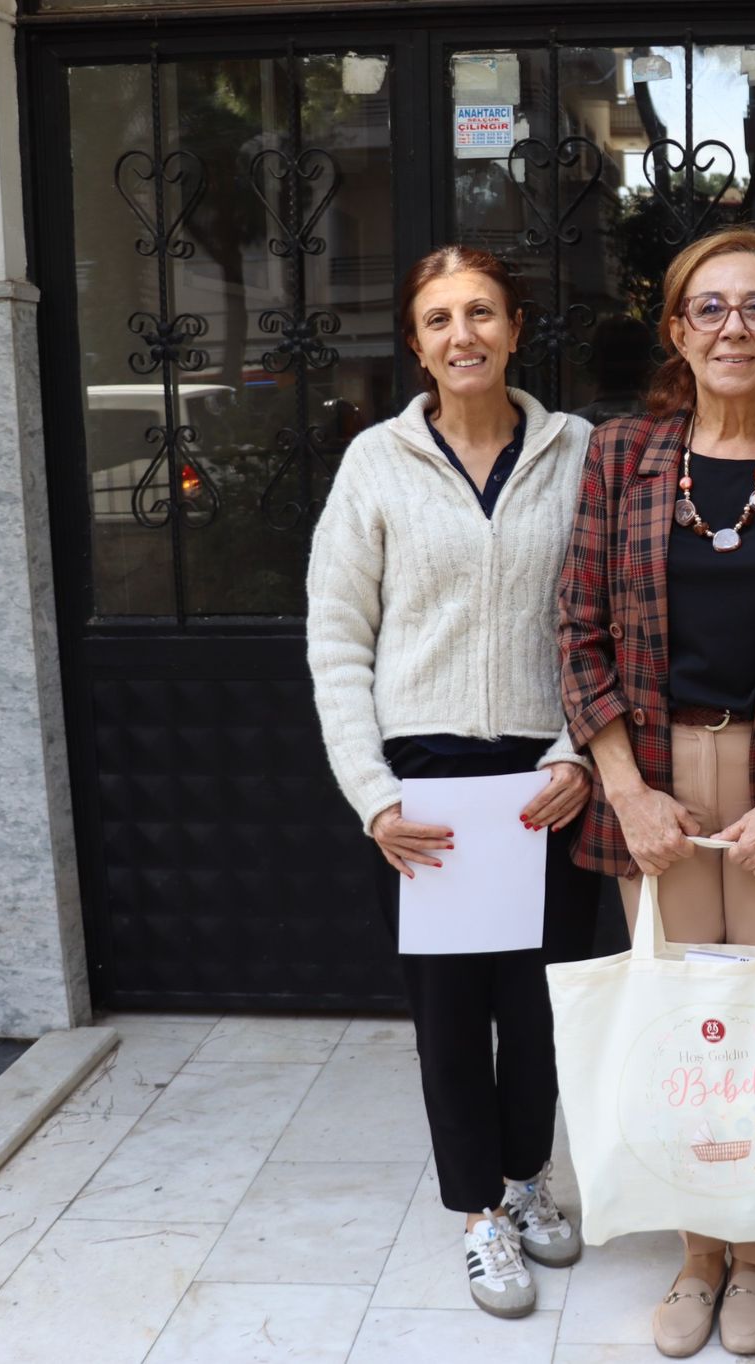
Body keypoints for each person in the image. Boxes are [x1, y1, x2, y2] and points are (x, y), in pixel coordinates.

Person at [556, 226, 755, 1358]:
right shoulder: (622, 455)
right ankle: (699, 1251)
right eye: (709, 307)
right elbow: (578, 630)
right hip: (657, 782)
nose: (732, 327)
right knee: (682, 1027)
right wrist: (626, 793)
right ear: (677, 331)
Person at [306, 245, 599, 1321]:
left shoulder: (579, 453)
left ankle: (527, 1178)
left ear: (515, 329)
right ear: (416, 344)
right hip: (424, 785)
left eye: (481, 312)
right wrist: (373, 794)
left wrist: (578, 751)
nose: (461, 334)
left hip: (544, 777)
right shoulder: (374, 464)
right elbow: (337, 638)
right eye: (438, 319)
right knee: (449, 1016)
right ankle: (477, 1213)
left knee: (539, 1005)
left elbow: (612, 615)